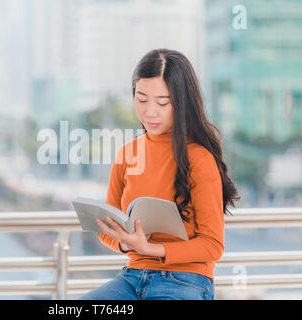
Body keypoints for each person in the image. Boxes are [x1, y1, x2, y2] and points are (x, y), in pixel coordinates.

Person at [78, 48, 239, 300]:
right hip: (133, 277)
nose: (149, 112)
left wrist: (152, 248)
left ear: (182, 102)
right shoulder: (127, 153)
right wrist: (126, 242)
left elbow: (213, 245)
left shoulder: (199, 158)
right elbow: (105, 230)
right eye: (141, 99)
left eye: (162, 102)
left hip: (185, 279)